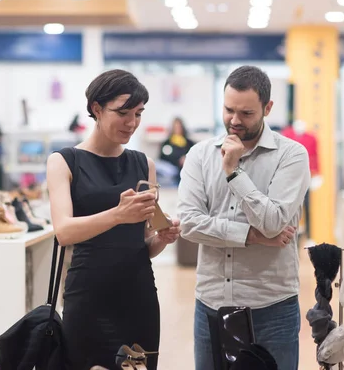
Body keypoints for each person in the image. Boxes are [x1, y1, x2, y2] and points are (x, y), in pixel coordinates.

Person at [46, 69, 181, 370]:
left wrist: (161, 237)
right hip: (88, 298)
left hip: (139, 296)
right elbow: (64, 232)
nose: (132, 123)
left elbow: (141, 245)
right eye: (123, 113)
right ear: (96, 108)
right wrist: (118, 215)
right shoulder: (64, 162)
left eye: (138, 113)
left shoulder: (143, 164)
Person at [177, 65, 311, 370]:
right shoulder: (200, 154)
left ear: (268, 108)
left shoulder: (292, 155)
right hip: (211, 303)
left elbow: (274, 222)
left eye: (246, 113)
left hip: (272, 307)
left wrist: (234, 171)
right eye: (228, 110)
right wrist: (252, 236)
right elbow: (188, 222)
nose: (234, 121)